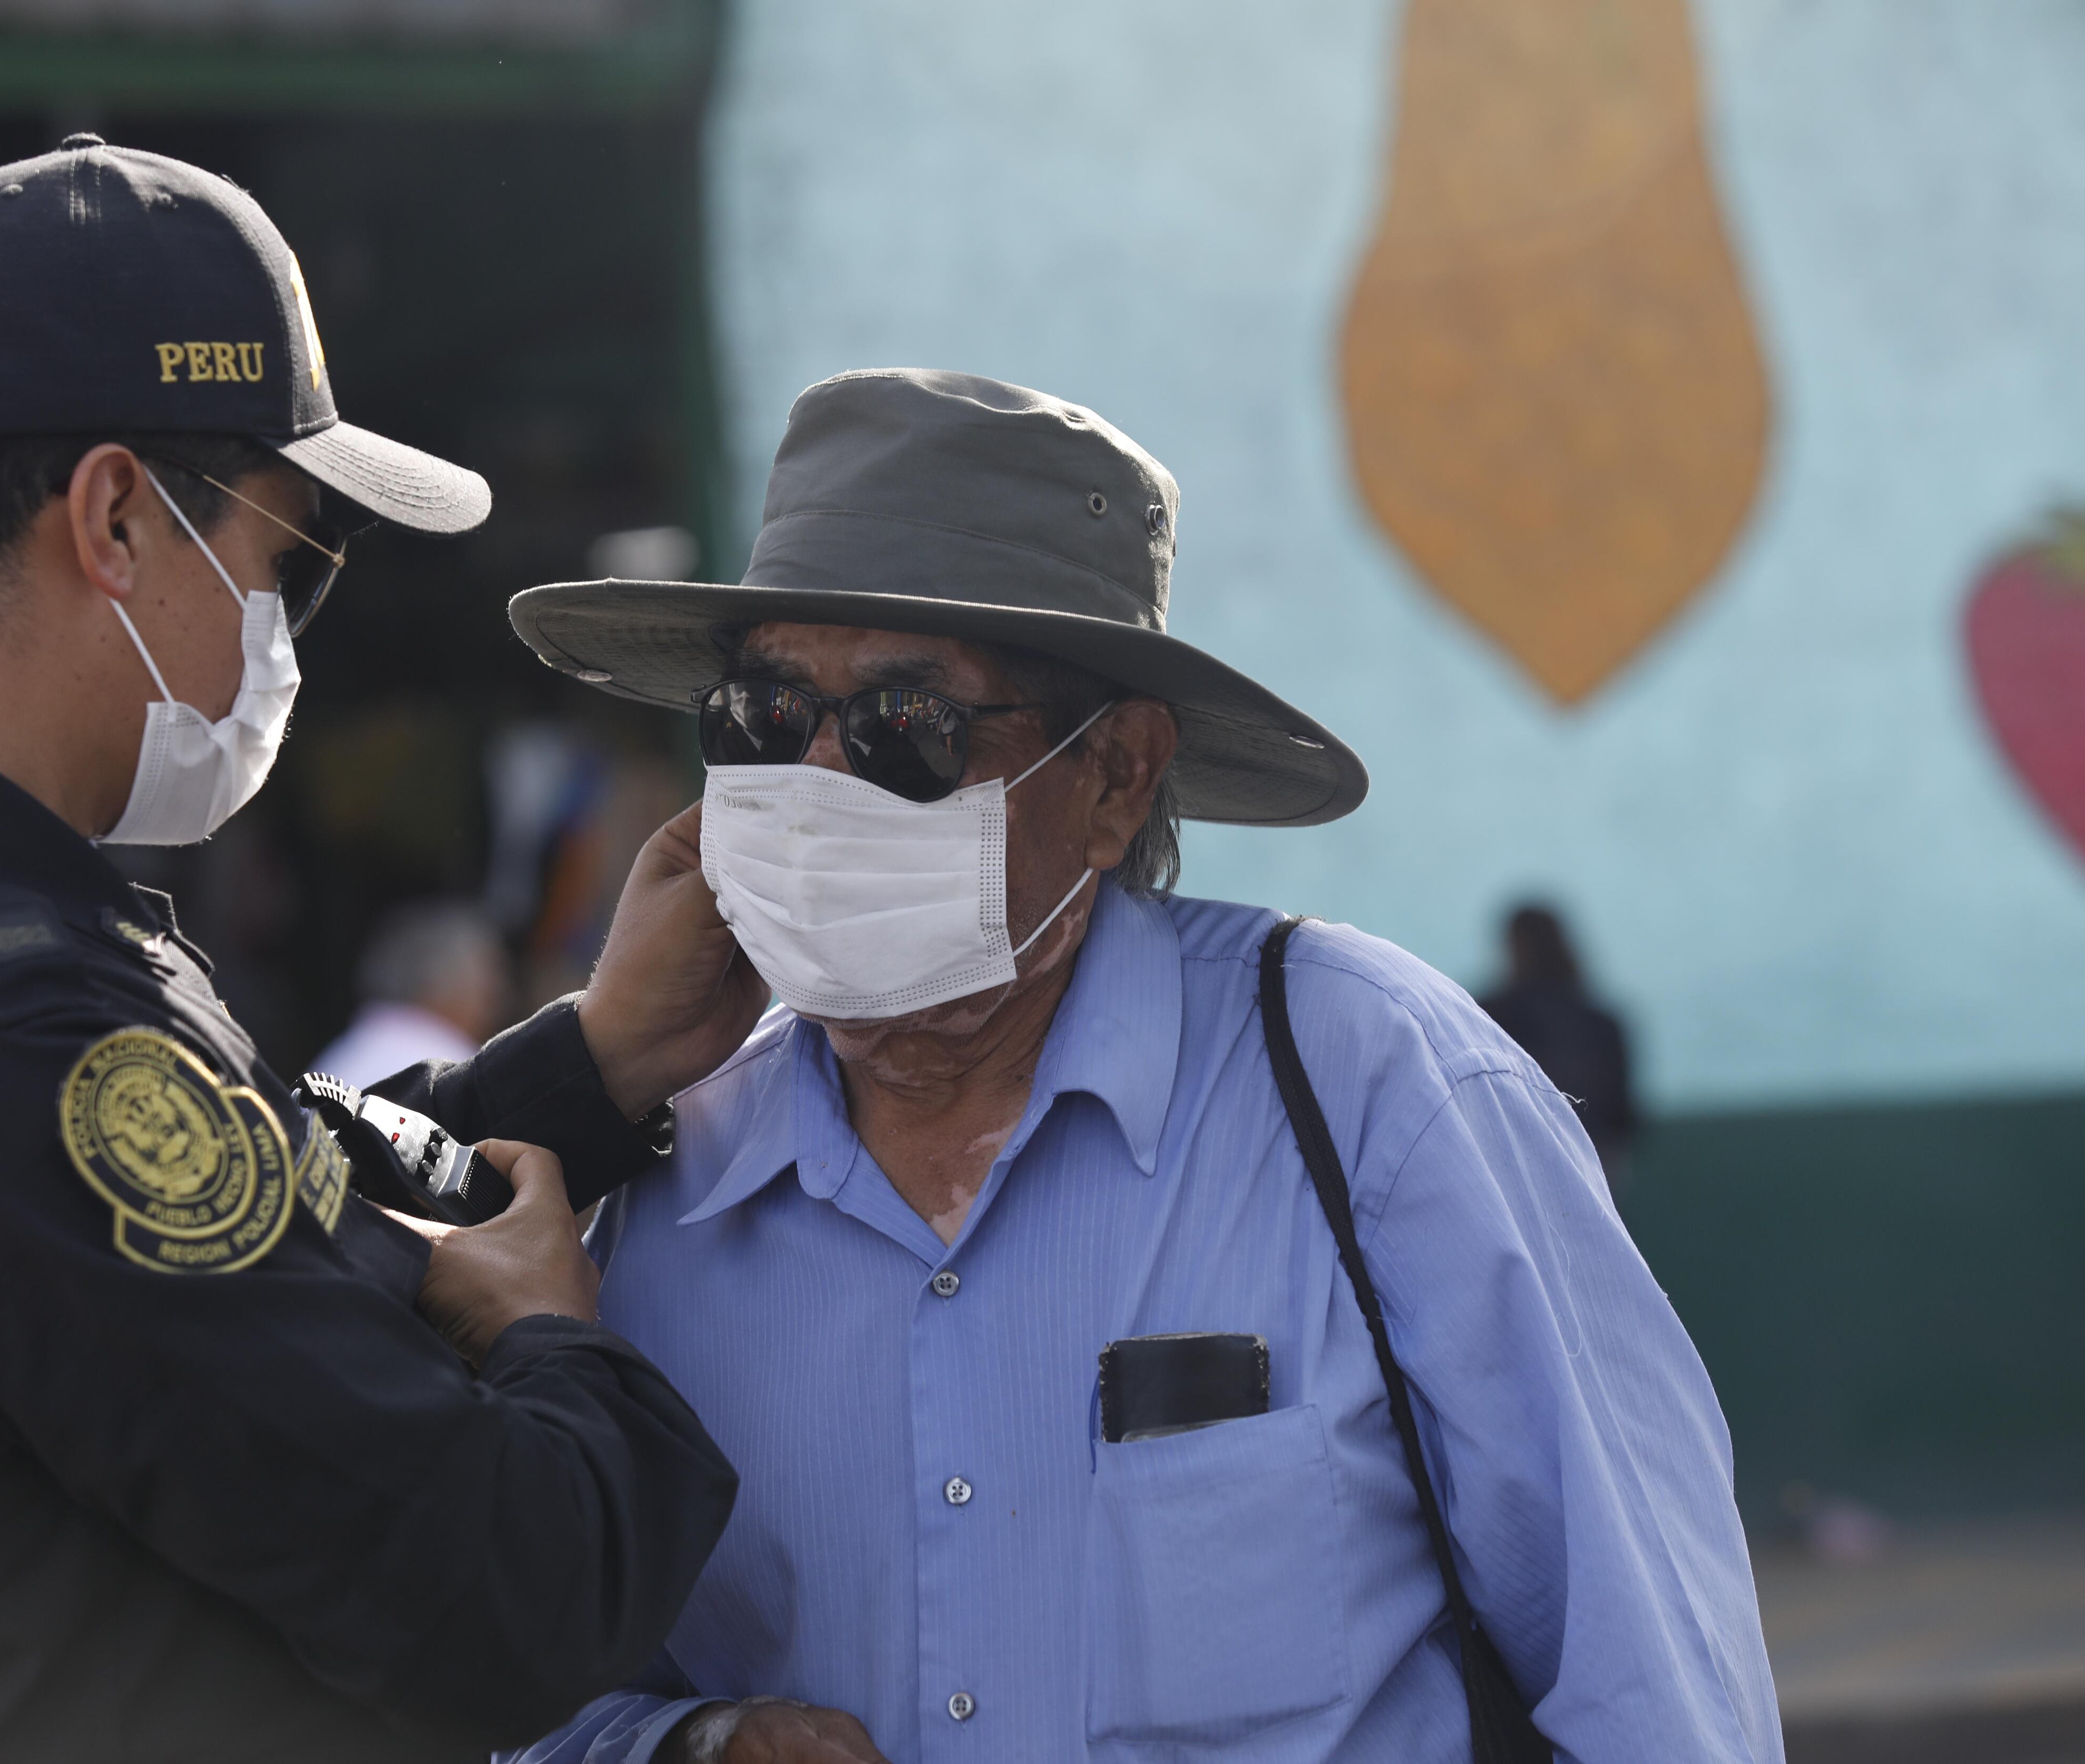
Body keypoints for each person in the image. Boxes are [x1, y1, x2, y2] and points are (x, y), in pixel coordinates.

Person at [0, 137, 767, 1764]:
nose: (281, 629)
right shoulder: (2, 1032)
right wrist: (550, 1339)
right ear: (111, 516)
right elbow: (511, 1588)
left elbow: (255, 1203)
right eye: (281, 558)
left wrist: (587, 1068)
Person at [501, 369, 1782, 1763]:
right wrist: (690, 1744)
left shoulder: (1376, 1092)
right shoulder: (655, 1188)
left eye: (904, 725)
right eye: (761, 715)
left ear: (1114, 777)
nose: (814, 780)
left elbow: (1655, 1688)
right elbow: (516, 1699)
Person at [1479, 902, 1638, 1184]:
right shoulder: (1604, 1024)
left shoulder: (1487, 1017)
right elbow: (1624, 1118)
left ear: (1513, 948)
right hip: (1594, 1170)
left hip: (1509, 1172)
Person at [315, 900, 513, 1085]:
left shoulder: (347, 1051)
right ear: (440, 982)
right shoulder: (451, 1069)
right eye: (487, 984)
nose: (498, 1001)